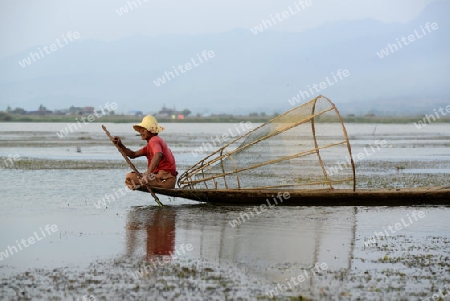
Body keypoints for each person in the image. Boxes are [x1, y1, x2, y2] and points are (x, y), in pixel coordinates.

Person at [113, 115, 177, 190]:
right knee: (130, 178)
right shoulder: (150, 145)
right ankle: (143, 183)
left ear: (151, 131)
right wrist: (120, 145)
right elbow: (132, 155)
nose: (141, 131)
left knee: (130, 177)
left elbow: (158, 155)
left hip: (165, 180)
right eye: (141, 129)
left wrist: (147, 175)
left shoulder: (154, 140)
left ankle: (143, 183)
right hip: (162, 179)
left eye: (144, 129)